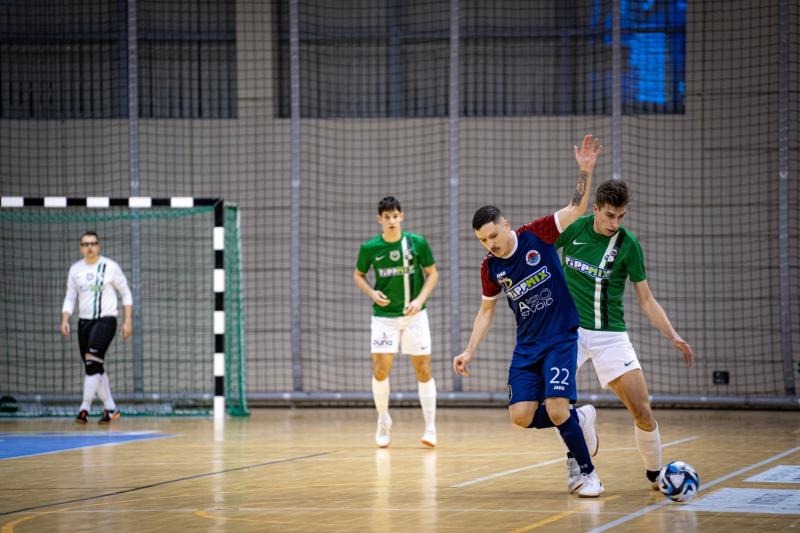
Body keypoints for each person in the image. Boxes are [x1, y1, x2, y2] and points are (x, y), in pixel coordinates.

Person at [453, 134, 605, 497]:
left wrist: (584, 171)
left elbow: (575, 209)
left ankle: (587, 472)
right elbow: (486, 311)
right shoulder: (490, 268)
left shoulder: (537, 234)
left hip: (560, 337)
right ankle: (579, 419)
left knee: (555, 409)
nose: (490, 244)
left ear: (505, 224)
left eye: (492, 235)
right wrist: (469, 350)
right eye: (482, 240)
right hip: (527, 347)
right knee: (520, 416)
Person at [555, 179, 694, 490]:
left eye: (620, 216)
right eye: (608, 216)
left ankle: (657, 474)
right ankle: (580, 441)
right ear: (595, 210)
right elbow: (538, 248)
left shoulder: (628, 245)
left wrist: (672, 335)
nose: (614, 223)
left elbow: (646, 298)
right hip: (569, 332)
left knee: (642, 409)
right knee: (551, 400)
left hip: (610, 334)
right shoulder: (574, 229)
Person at [354, 196, 439, 448]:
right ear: (379, 219)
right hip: (384, 318)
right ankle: (383, 420)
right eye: (386, 217)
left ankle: (430, 428)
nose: (391, 220)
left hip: (415, 316)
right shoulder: (370, 248)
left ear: (401, 216)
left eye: (395, 216)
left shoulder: (416, 243)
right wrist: (371, 292)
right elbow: (358, 275)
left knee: (423, 369)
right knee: (380, 370)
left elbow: (432, 273)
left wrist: (419, 299)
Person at [61, 231, 132, 424]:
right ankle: (111, 408)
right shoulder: (75, 269)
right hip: (84, 323)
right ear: (81, 247)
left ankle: (84, 408)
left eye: (93, 243)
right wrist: (65, 319)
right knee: (94, 366)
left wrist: (128, 321)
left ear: (98, 246)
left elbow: (126, 294)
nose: (89, 247)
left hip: (106, 320)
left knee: (91, 362)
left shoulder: (110, 267)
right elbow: (70, 297)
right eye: (85, 244)